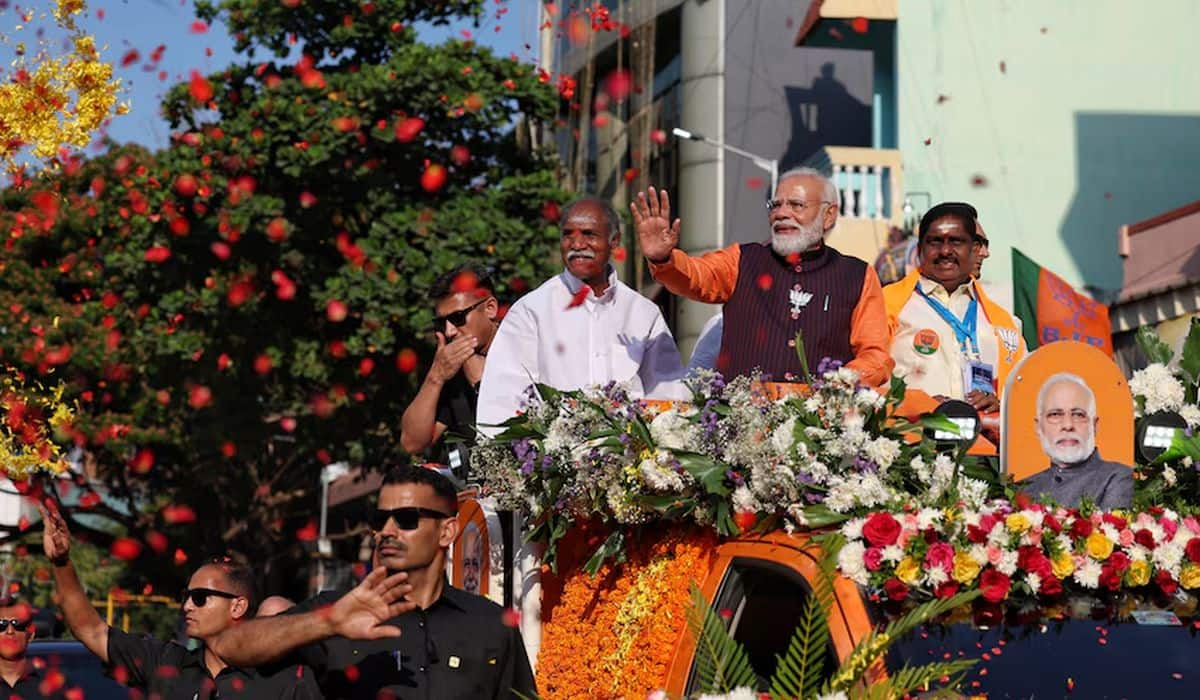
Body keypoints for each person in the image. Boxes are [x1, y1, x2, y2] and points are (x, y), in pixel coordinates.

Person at [209, 465, 536, 699]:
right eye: (380, 520)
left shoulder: (491, 625)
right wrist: (326, 623)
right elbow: (229, 645)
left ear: (447, 531)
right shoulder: (336, 612)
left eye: (406, 519)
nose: (388, 531)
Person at [631, 169, 893, 386]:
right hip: (742, 428)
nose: (781, 213)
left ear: (829, 215)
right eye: (775, 205)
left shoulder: (856, 275)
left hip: (819, 434)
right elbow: (697, 276)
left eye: (796, 205)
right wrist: (664, 260)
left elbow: (874, 355)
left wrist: (842, 383)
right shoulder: (743, 260)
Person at [40, 501, 319, 699]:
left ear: (238, 606)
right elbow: (89, 629)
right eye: (186, 597)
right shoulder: (166, 664)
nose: (186, 606)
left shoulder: (285, 679)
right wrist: (62, 561)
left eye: (199, 598)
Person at [476, 196, 686, 431]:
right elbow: (501, 404)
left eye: (588, 234)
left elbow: (670, 398)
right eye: (568, 234)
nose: (576, 244)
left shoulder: (643, 313)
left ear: (614, 241)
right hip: (554, 461)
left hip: (631, 458)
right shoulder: (531, 312)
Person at [882, 202, 1026, 412]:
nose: (945, 251)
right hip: (909, 440)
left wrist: (1001, 405)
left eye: (956, 242)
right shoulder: (886, 305)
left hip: (984, 442)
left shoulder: (1004, 323)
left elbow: (1026, 391)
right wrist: (919, 405)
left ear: (974, 249)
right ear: (920, 247)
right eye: (935, 242)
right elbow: (864, 382)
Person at [400, 263, 500, 465]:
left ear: (490, 308)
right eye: (441, 323)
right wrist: (435, 377)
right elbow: (412, 443)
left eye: (457, 318)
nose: (449, 331)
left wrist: (482, 385)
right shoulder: (452, 372)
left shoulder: (526, 347)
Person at [1019, 373, 1133, 510]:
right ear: (1038, 427)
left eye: (1078, 415)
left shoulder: (1117, 478)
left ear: (1094, 425)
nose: (1068, 425)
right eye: (1055, 415)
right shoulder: (1024, 489)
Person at [0, 593, 53, 698]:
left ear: (31, 635)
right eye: (1, 625)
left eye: (18, 625)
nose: (10, 631)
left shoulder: (52, 685)